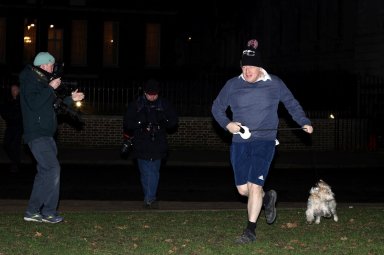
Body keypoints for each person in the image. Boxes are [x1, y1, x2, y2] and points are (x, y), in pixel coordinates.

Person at [211, 39, 313, 244]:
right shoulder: (232, 84)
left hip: (265, 141)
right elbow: (216, 107)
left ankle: (250, 231)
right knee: (243, 189)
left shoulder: (274, 83)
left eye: (251, 67)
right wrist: (227, 124)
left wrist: (303, 121)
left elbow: (291, 104)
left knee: (255, 186)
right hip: (240, 141)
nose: (247, 71)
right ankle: (268, 199)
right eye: (244, 66)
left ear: (260, 67)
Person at [19, 52, 84, 223]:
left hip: (47, 135)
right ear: (44, 65)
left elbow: (54, 106)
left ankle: (32, 211)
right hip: (37, 134)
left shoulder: (42, 82)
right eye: (52, 65)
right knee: (53, 169)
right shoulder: (29, 79)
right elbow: (34, 103)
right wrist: (50, 88)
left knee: (44, 173)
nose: (53, 68)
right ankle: (48, 212)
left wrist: (71, 99)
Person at [123, 79, 178, 209]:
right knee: (145, 172)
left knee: (154, 171)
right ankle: (149, 198)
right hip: (141, 143)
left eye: (155, 94)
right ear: (145, 93)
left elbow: (173, 122)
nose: (152, 97)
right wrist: (141, 125)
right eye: (149, 94)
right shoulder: (136, 105)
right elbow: (127, 123)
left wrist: (162, 121)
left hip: (158, 142)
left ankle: (149, 198)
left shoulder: (164, 104)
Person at [0, 84, 23, 173]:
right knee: (6, 144)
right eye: (12, 89)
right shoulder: (9, 101)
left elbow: (18, 114)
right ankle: (16, 161)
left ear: (19, 90)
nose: (14, 91)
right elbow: (4, 112)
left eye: (16, 89)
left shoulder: (21, 101)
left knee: (15, 145)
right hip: (10, 126)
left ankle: (15, 164)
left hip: (18, 126)